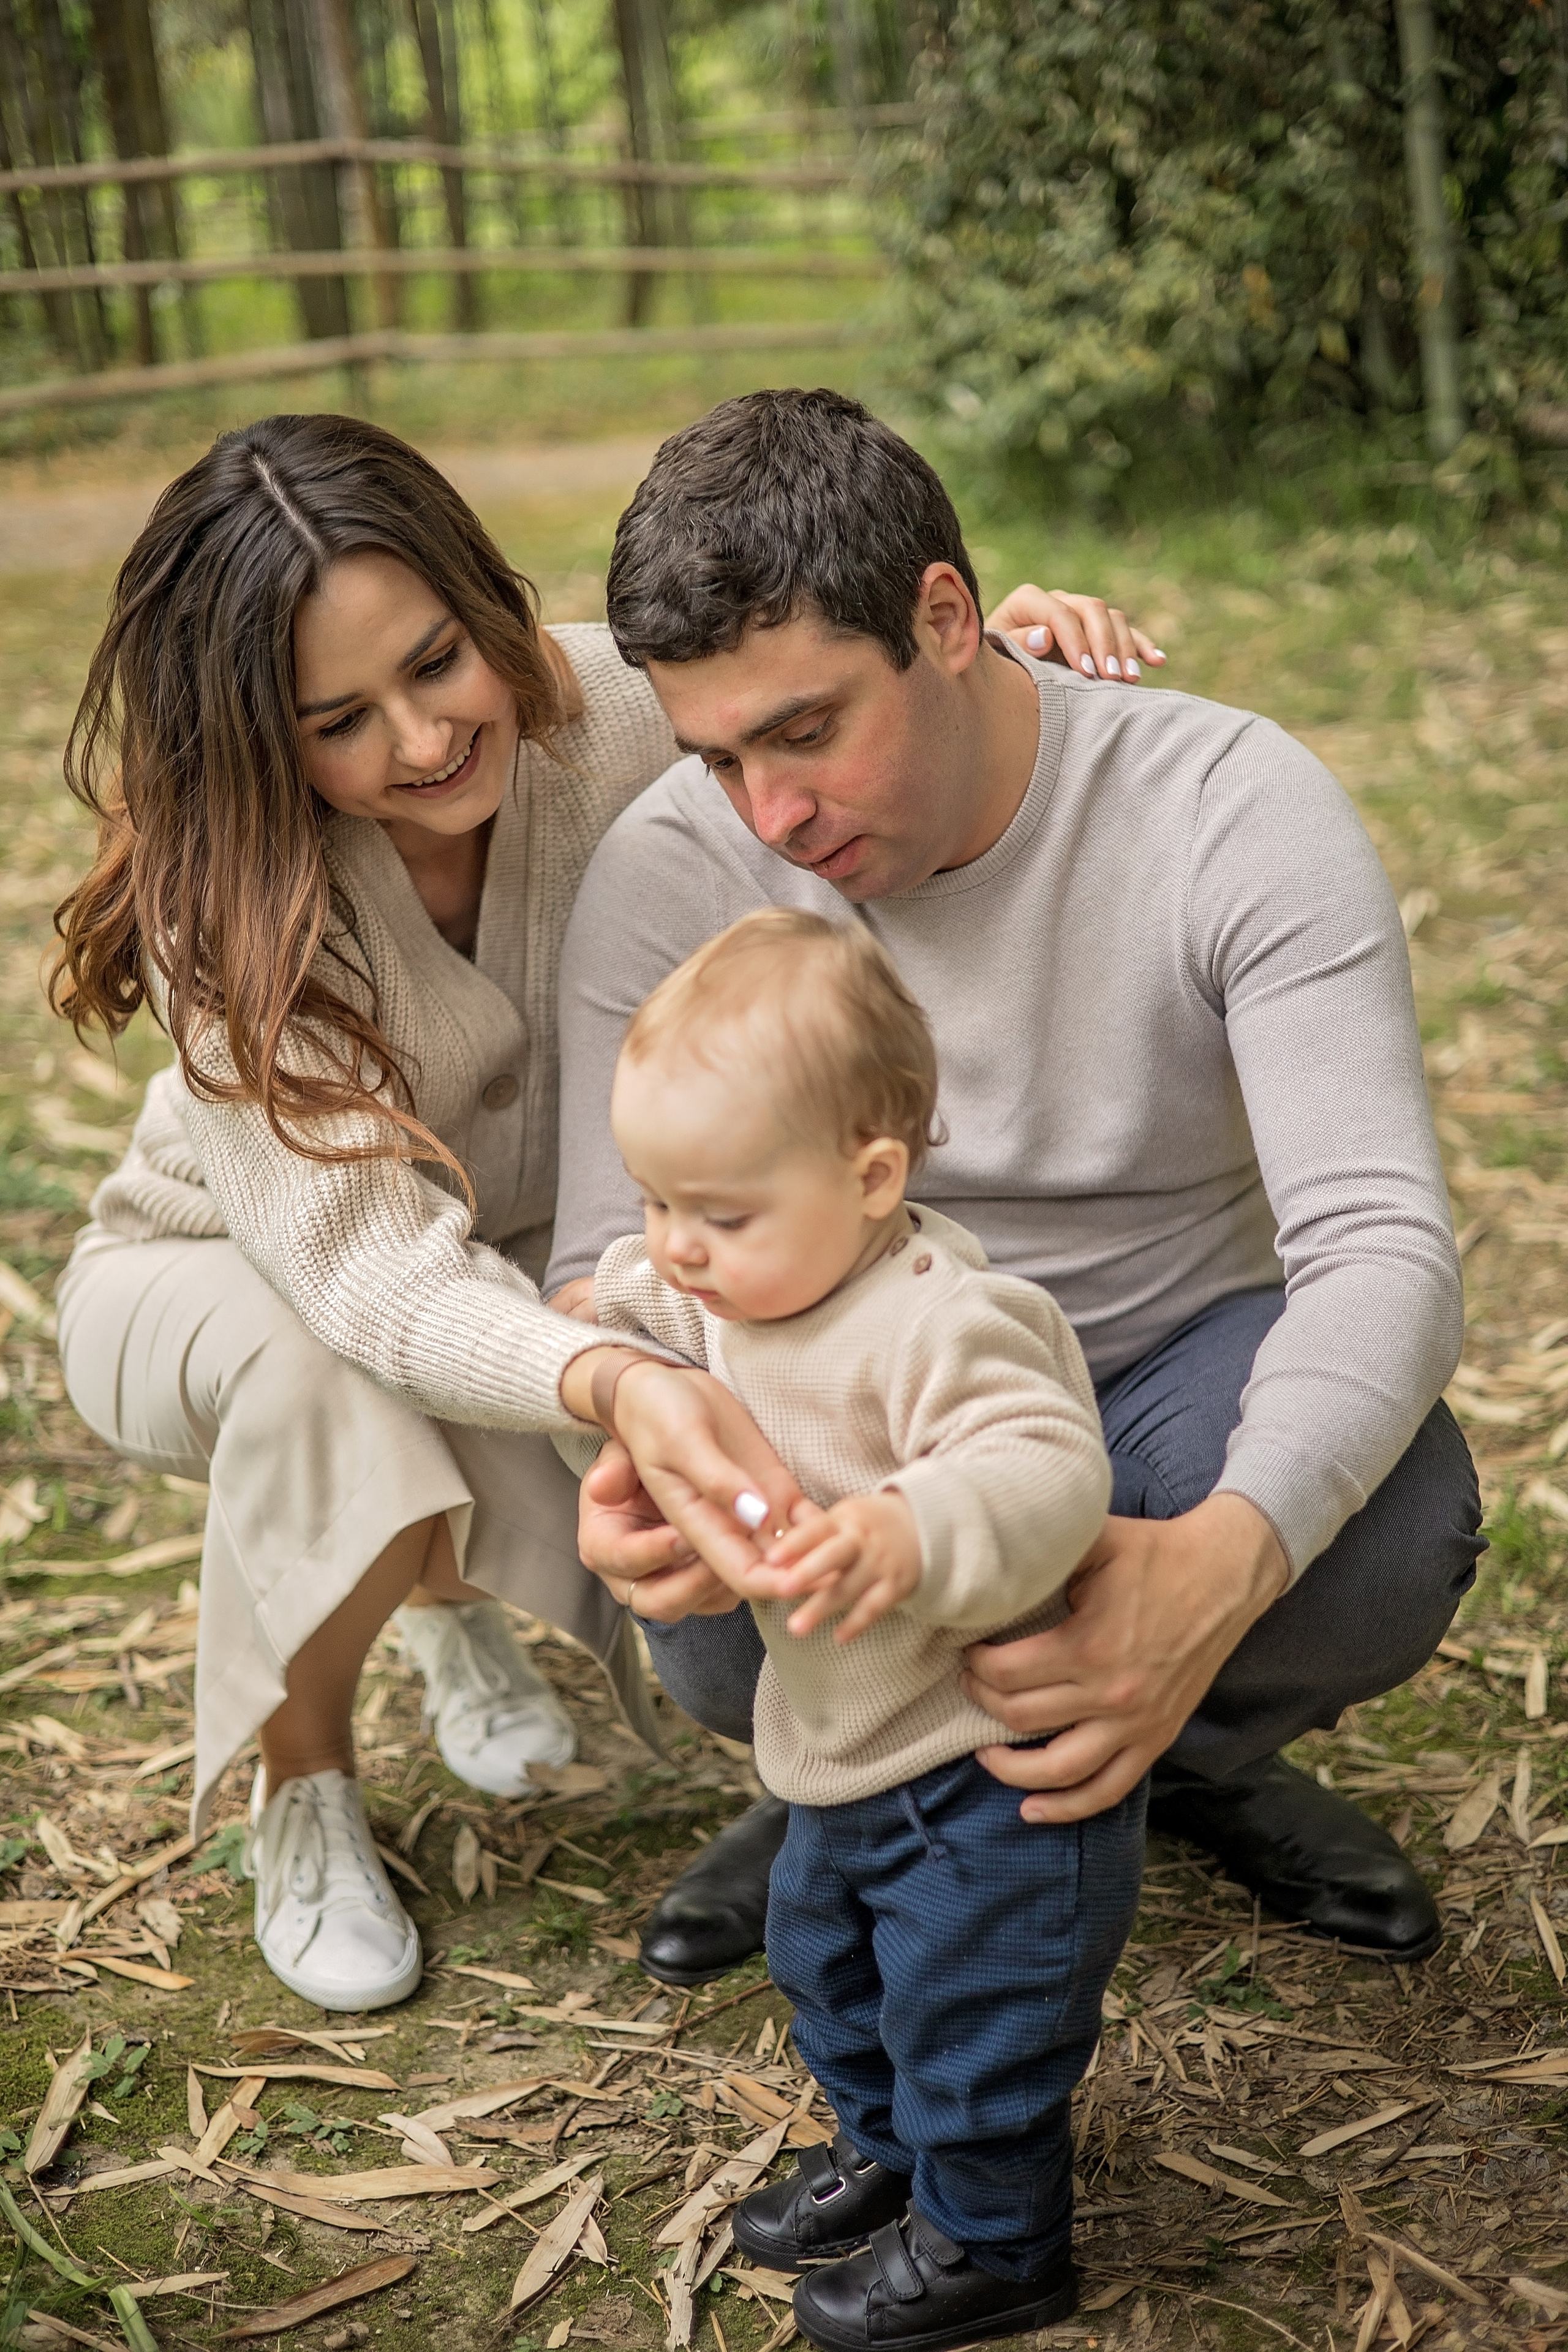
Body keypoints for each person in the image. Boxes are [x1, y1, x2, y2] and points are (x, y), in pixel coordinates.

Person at [46, 407, 1137, 2013]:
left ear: (481, 602)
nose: (420, 741)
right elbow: (370, 1273)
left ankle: (431, 1599)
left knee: (517, 1332)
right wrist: (621, 1374)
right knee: (329, 1364)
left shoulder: (615, 709)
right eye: (338, 720)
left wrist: (995, 652)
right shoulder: (241, 898)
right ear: (264, 740)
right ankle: (306, 1785)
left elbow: (823, 678)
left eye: (435, 663)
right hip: (222, 1265)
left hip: (491, 1247)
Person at [545, 386, 1486, 1994]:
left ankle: (1169, 1744)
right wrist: (640, 1429)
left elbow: (1381, 1242)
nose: (772, 815)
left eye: (808, 728)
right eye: (719, 756)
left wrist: (1225, 1562)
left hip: (1168, 1382)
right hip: (853, 1411)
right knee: (705, 1607)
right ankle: (851, 1774)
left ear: (946, 617)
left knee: (1384, 1526)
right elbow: (598, 1262)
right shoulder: (667, 869)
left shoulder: (1231, 811)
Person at [579, 907, 1125, 2345]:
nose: (675, 1248)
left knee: (973, 2019)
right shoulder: (727, 1287)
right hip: (838, 1749)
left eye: (717, 1212)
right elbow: (606, 1312)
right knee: (827, 1971)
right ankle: (887, 2155)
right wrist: (602, 1361)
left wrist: (907, 1524)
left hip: (986, 1772)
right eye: (654, 1199)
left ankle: (997, 2242)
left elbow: (1047, 1470)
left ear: (871, 1176)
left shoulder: (941, 1320)